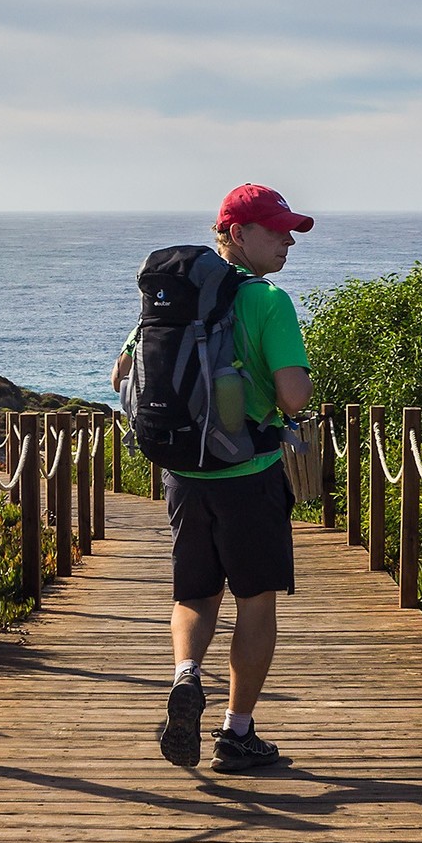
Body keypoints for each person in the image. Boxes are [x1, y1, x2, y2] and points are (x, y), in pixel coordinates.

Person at [111, 184, 314, 772]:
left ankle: (185, 677)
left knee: (195, 592)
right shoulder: (267, 300)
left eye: (290, 231)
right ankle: (237, 732)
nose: (287, 241)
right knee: (255, 601)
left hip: (184, 474)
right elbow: (292, 394)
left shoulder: (172, 303)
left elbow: (123, 371)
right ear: (235, 232)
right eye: (276, 230)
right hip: (249, 473)